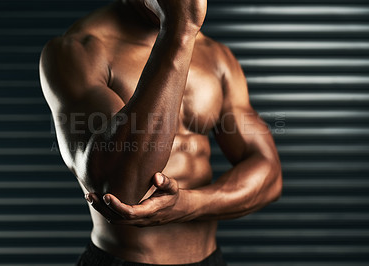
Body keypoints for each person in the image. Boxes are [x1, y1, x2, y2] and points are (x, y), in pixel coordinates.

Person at [39, 0, 282, 265]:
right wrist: (179, 32)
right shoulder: (80, 50)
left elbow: (269, 174)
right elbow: (121, 191)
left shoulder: (216, 56)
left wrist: (190, 205)